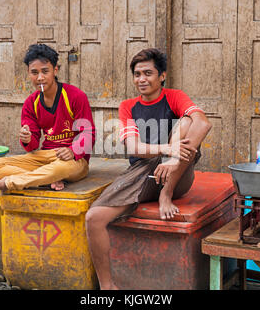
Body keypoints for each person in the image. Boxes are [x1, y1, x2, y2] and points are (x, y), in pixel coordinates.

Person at [85, 48, 212, 290]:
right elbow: (133, 147)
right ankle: (107, 287)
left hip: (178, 174)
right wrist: (167, 150)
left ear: (162, 75)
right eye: (137, 74)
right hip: (142, 172)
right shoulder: (128, 106)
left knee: (188, 122)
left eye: (148, 73)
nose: (141, 79)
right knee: (93, 218)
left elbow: (203, 124)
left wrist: (173, 160)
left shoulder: (174, 96)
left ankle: (166, 193)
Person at [0, 44, 95, 195]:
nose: (40, 77)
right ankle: (46, 178)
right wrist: (27, 138)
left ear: (55, 70)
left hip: (73, 161)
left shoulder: (75, 96)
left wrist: (73, 151)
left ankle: (8, 183)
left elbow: (88, 133)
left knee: (60, 168)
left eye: (45, 71)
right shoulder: (30, 103)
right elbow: (32, 145)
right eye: (34, 72)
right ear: (28, 73)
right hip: (44, 157)